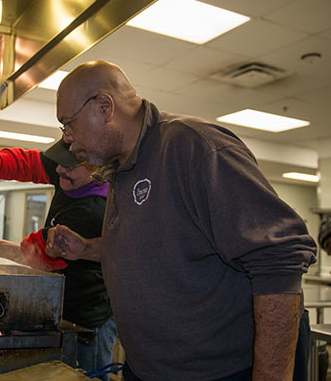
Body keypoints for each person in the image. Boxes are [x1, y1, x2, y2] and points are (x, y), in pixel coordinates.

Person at [45, 60, 317, 381]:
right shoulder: (119, 168)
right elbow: (162, 247)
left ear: (105, 106)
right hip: (150, 370)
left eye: (68, 124)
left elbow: (279, 257)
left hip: (222, 373)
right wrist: (88, 248)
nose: (68, 139)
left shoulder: (194, 147)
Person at [0, 140, 117, 380]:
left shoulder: (92, 211)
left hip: (87, 319)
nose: (58, 170)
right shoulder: (70, 169)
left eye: (68, 166)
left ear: (98, 169)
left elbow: (28, 255)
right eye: (60, 163)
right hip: (61, 308)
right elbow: (18, 161)